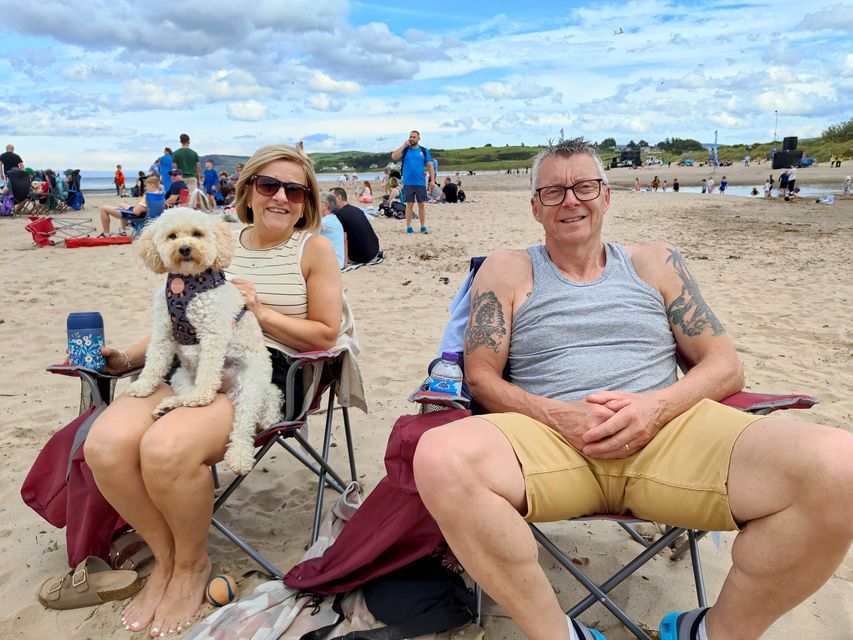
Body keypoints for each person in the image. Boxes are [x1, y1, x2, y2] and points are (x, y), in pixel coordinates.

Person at [412, 138, 853, 640]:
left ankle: (713, 634)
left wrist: (657, 408)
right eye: (553, 191)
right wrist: (558, 416)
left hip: (670, 435)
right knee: (439, 457)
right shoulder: (507, 268)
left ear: (606, 196)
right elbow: (481, 377)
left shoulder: (655, 262)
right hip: (549, 442)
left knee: (840, 466)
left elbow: (725, 366)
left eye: (584, 186)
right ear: (535, 207)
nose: (571, 200)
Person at [84, 144, 348, 637]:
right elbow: (177, 315)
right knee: (106, 443)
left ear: (307, 199)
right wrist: (127, 357)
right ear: (248, 190)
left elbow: (327, 333)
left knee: (164, 449)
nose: (281, 198)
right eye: (269, 185)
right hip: (189, 360)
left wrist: (256, 308)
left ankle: (191, 568)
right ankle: (166, 559)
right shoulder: (217, 235)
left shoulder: (313, 248)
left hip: (267, 369)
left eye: (295, 190)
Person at [390, 130, 435, 234]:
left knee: (421, 205)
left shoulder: (424, 151)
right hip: (408, 183)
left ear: (419, 138)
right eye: (410, 136)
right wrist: (403, 145)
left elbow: (430, 166)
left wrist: (432, 180)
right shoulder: (405, 150)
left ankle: (422, 226)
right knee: (409, 205)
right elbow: (393, 157)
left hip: (420, 183)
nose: (412, 138)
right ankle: (409, 227)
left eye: (414, 137)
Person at [331, 187, 380, 264]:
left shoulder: (340, 214)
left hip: (359, 256)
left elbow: (343, 238)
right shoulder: (357, 210)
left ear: (339, 198)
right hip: (374, 250)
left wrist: (345, 259)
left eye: (331, 198)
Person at [320, 191, 347, 269]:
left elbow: (305, 229)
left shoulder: (326, 222)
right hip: (337, 261)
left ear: (324, 205)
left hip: (333, 264)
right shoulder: (332, 218)